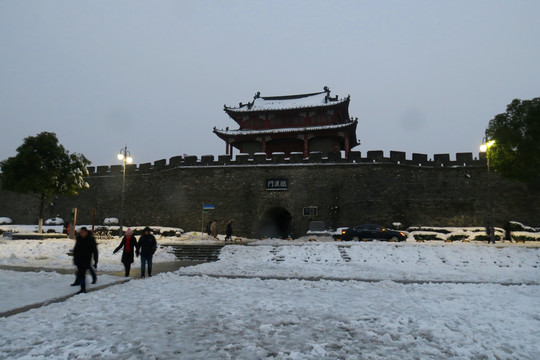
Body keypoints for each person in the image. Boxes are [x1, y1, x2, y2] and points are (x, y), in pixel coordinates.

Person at [72, 227, 98, 294]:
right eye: (81, 232)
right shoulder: (79, 238)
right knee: (81, 272)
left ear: (86, 232)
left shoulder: (91, 239)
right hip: (79, 258)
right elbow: (76, 248)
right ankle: (78, 282)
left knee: (82, 273)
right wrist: (74, 258)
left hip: (86, 258)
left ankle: (83, 288)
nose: (81, 233)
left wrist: (95, 260)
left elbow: (95, 250)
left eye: (83, 232)